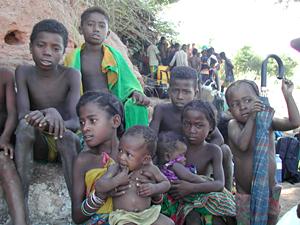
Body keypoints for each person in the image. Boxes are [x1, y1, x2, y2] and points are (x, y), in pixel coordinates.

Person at [14, 19, 81, 217]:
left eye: (55, 47)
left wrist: (53, 114)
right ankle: (22, 207)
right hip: (37, 145)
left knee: (68, 137)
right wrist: (46, 114)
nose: (47, 52)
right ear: (30, 47)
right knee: (24, 127)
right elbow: (22, 114)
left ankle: (77, 210)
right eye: (41, 45)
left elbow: (76, 123)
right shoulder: (23, 72)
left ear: (63, 52)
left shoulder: (71, 75)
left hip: (63, 146)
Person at [225, 79, 300, 225]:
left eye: (248, 100)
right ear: (229, 110)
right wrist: (252, 118)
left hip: (269, 191)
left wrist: (288, 95)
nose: (243, 107)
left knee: (270, 221)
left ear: (259, 100)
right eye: (235, 104)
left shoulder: (267, 121)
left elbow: (294, 122)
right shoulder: (233, 125)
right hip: (245, 194)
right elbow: (242, 144)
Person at [64, 6, 149, 130]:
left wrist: (136, 92)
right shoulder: (73, 58)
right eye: (90, 24)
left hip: (113, 105)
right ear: (81, 29)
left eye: (101, 26)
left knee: (136, 107)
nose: (96, 29)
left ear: (108, 33)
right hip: (88, 105)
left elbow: (128, 82)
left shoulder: (114, 56)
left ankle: (135, 142)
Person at [150, 66, 233, 191]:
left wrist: (201, 150)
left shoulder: (200, 112)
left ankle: (226, 191)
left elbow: (218, 138)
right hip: (171, 160)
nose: (180, 96)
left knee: (224, 150)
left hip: (195, 159)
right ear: (169, 90)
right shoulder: (162, 110)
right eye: (175, 91)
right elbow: (151, 137)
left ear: (196, 92)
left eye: (186, 92)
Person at [160, 101, 236, 225]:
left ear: (211, 127)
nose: (192, 130)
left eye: (199, 125)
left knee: (223, 218)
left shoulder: (213, 150)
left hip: (202, 192)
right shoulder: (176, 147)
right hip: (180, 199)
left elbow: (219, 184)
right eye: (187, 124)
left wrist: (191, 188)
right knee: (192, 218)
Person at [95, 125, 174, 225]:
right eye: (120, 150)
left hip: (147, 213)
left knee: (169, 223)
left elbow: (166, 183)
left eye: (128, 154)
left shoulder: (150, 169)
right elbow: (99, 186)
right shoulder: (116, 168)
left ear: (145, 159)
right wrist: (117, 180)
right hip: (124, 216)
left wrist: (154, 188)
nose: (121, 157)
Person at [72, 91, 125, 224]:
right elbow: (77, 217)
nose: (85, 128)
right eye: (82, 122)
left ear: (115, 121)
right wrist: (99, 196)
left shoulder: (130, 154)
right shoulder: (83, 161)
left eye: (92, 121)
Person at [0, 68, 28, 225]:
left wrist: (4, 137)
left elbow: (12, 113)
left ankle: (20, 222)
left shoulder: (4, 76)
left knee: (4, 161)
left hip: (2, 138)